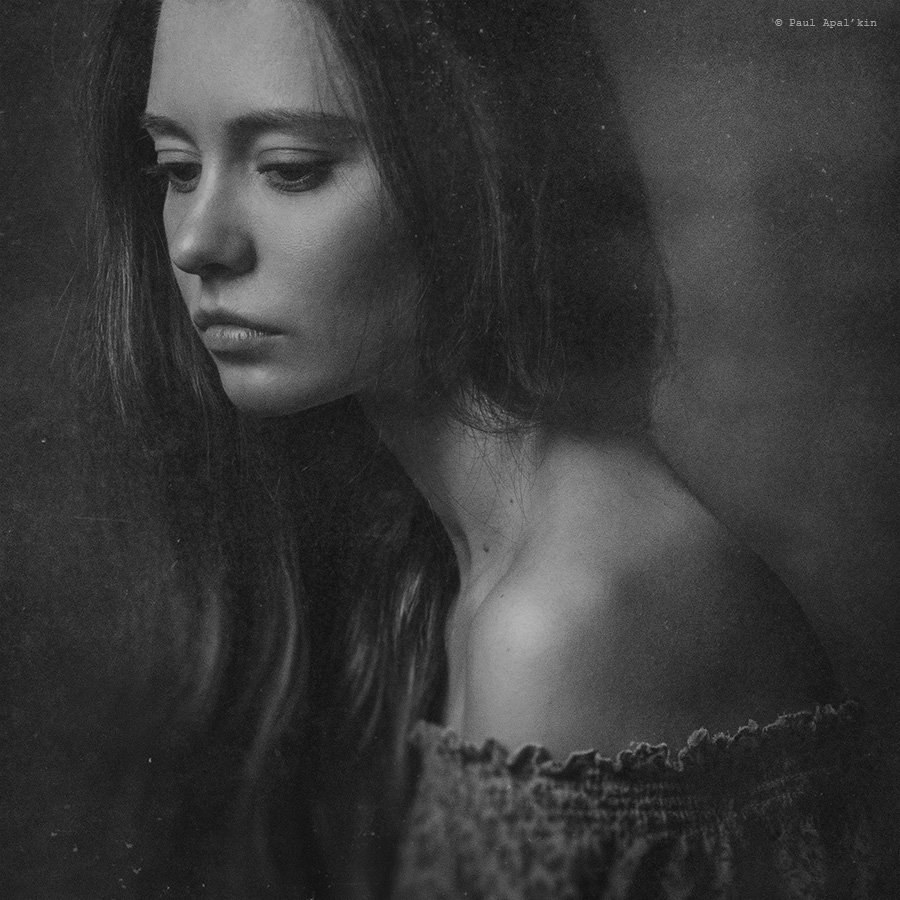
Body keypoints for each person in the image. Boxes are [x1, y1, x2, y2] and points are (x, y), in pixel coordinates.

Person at [80, 0, 874, 896]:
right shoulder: (461, 560)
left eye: (291, 169)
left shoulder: (568, 617)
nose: (197, 243)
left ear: (479, 168)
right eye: (176, 168)